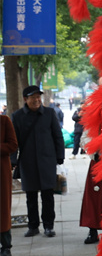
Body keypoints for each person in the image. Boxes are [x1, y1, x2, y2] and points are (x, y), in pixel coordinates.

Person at [10, 85, 65, 238]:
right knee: (31, 196)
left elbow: (57, 136)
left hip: (47, 161)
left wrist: (60, 156)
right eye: (33, 97)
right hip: (28, 162)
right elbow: (14, 142)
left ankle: (49, 226)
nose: (36, 100)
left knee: (48, 195)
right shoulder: (17, 116)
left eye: (38, 97)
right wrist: (12, 160)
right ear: (25, 99)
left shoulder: (49, 113)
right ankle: (33, 226)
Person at [1, 114, 18, 256]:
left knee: (2, 209)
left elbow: (13, 145)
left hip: (1, 172)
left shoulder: (4, 121)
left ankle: (6, 246)